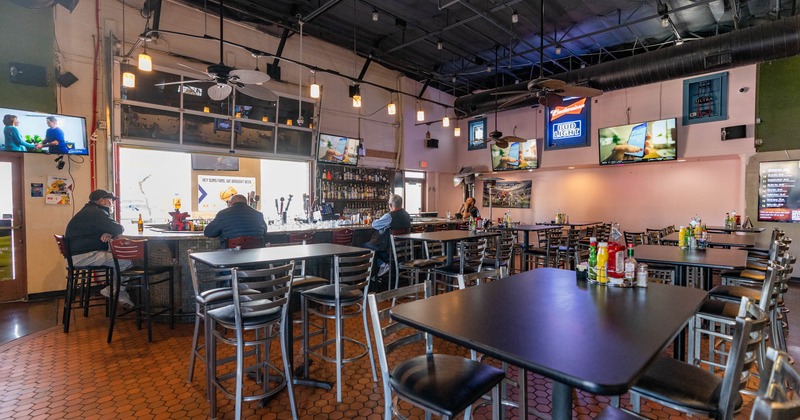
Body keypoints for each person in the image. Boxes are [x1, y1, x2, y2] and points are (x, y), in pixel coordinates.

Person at [64, 189, 134, 308]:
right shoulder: (96, 212)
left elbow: (111, 229)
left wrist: (109, 232)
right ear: (102, 201)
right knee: (126, 262)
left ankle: (118, 292)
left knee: (118, 260)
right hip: (84, 256)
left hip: (77, 256)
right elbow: (118, 228)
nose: (112, 203)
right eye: (111, 200)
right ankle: (115, 291)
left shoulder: (89, 211)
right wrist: (112, 231)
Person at [363, 194, 412, 278]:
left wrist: (373, 220)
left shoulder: (389, 216)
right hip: (404, 248)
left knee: (364, 246)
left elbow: (375, 225)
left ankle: (381, 266)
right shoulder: (407, 215)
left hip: (388, 248)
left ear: (390, 205)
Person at [203, 194, 268, 247]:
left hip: (230, 258)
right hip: (255, 259)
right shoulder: (258, 214)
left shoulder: (223, 214)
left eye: (228, 203)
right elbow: (264, 232)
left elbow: (208, 232)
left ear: (232, 202)